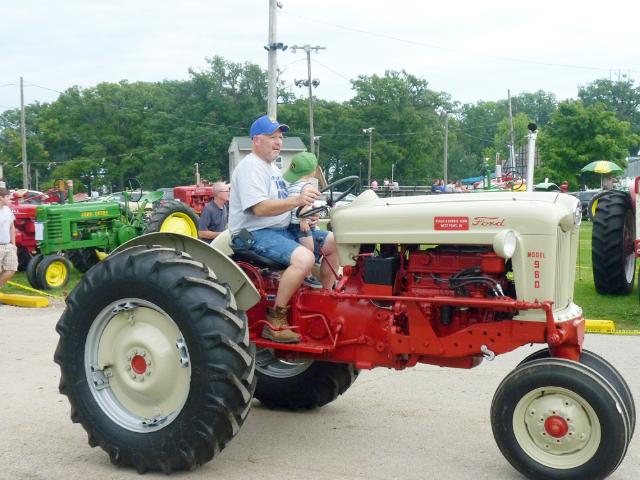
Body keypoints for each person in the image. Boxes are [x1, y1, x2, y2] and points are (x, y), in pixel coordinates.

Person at [228, 115, 339, 343]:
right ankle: (276, 319)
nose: (278, 142)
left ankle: (327, 301)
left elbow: (285, 204)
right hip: (252, 234)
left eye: (280, 137)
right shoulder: (250, 167)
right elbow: (259, 208)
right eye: (272, 137)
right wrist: (298, 201)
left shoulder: (273, 169)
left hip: (280, 229)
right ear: (256, 140)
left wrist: (306, 213)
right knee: (304, 259)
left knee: (335, 242)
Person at [283, 152, 323, 288]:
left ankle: (311, 269)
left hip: (292, 223)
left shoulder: (292, 185)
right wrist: (304, 219)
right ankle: (308, 275)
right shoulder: (308, 187)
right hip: (300, 224)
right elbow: (305, 204)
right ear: (312, 172)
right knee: (309, 249)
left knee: (307, 247)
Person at [0, 187, 18, 291]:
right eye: (7, 197)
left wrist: (14, 244)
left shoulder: (7, 210)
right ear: (1, 198)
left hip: (8, 245)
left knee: (12, 269)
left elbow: (12, 227)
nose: (9, 199)